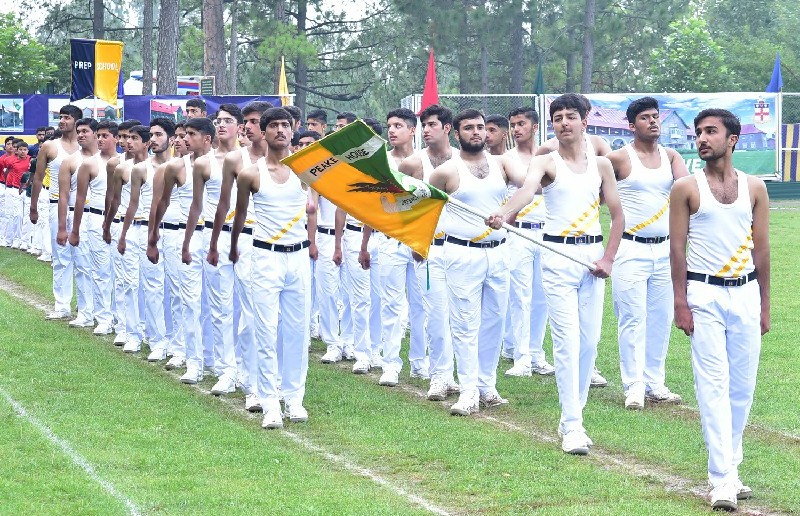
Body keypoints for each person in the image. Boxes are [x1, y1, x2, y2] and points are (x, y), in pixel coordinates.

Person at [488, 93, 624, 454]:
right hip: (557, 256)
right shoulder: (545, 162)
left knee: (589, 342)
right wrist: (504, 212)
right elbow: (525, 192)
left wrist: (608, 259)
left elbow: (617, 215)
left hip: (592, 259)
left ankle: (573, 416)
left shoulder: (602, 165)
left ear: (584, 120)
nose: (564, 122)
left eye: (570, 116)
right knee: (566, 342)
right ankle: (573, 425)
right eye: (558, 117)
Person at [670, 108, 770, 511]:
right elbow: (677, 249)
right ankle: (722, 479)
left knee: (742, 388)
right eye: (698, 132)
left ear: (732, 139)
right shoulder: (685, 188)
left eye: (711, 131)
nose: (701, 138)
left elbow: (761, 250)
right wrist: (681, 302)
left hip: (746, 294)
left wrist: (765, 305)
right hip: (704, 295)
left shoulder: (755, 188)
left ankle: (732, 467)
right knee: (712, 386)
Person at [429, 108, 522, 417]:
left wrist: (507, 212)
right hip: (462, 253)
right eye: (468, 128)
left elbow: (531, 185)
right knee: (465, 323)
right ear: (457, 133)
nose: (476, 132)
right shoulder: (445, 172)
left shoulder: (502, 164)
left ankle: (486, 385)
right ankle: (468, 390)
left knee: (494, 321)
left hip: (499, 251)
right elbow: (425, 211)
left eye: (480, 127)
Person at [230, 107, 313, 429]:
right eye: (274, 125)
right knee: (264, 330)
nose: (280, 130)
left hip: (298, 257)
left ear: (292, 130)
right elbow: (239, 217)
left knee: (296, 331)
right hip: (265, 257)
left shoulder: (304, 170)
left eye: (285, 125)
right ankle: (270, 403)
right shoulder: (251, 174)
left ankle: (294, 398)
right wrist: (234, 249)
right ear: (263, 133)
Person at [606, 97, 689, 410]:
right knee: (632, 318)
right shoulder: (619, 159)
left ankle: (655, 383)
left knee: (661, 318)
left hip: (665, 249)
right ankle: (634, 386)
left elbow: (689, 190)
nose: (653, 121)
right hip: (630, 248)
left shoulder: (671, 156)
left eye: (655, 116)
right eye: (645, 117)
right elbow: (593, 191)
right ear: (631, 125)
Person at [206, 101, 272, 411]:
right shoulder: (236, 159)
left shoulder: (284, 160)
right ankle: (226, 370)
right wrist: (214, 242)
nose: (249, 127)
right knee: (222, 306)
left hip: (264, 242)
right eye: (246, 121)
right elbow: (223, 204)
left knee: (253, 314)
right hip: (234, 237)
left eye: (254, 121)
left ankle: (253, 380)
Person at [359, 108, 427, 387]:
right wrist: (364, 244)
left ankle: (420, 362)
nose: (392, 130)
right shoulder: (381, 162)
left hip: (418, 242)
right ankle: (390, 364)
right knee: (391, 305)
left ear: (412, 130)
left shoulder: (424, 160)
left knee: (421, 305)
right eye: (389, 126)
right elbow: (371, 207)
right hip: (388, 240)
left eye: (398, 125)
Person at [398, 104, 461, 400]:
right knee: (435, 315)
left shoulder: (462, 160)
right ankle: (439, 376)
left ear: (447, 128)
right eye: (424, 125)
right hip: (429, 249)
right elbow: (399, 205)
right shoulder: (412, 163)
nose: (426, 130)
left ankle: (461, 376)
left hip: (462, 248)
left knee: (460, 316)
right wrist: (415, 239)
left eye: (432, 124)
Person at [183, 104, 242, 393]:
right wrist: (188, 242)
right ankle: (224, 368)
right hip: (214, 236)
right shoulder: (204, 163)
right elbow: (196, 206)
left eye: (228, 120)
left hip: (248, 238)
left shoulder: (251, 159)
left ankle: (245, 367)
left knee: (245, 308)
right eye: (218, 120)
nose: (221, 125)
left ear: (240, 127)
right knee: (218, 306)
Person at [501, 107, 555, 378]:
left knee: (542, 296)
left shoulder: (550, 157)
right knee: (520, 295)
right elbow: (529, 186)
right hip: (519, 232)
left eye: (521, 124)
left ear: (535, 127)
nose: (516, 129)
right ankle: (520, 356)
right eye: (513, 124)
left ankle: (536, 354)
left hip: (546, 232)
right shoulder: (507, 159)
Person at [118, 122, 173, 359]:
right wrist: (123, 234)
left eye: (159, 134)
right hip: (141, 230)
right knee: (136, 284)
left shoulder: (179, 167)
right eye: (152, 135)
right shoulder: (141, 169)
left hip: (171, 231)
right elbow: (132, 204)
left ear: (171, 138)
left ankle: (167, 339)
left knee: (167, 289)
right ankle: (137, 334)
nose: (154, 139)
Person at [29, 105, 81, 320]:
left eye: (67, 117)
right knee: (61, 257)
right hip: (55, 204)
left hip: (81, 208)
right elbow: (38, 178)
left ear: (77, 121)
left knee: (83, 259)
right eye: (60, 117)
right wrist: (33, 207)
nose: (62, 121)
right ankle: (62, 305)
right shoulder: (50, 146)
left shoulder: (86, 146)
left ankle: (86, 307)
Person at [69, 120, 119, 336]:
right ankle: (103, 317)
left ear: (116, 138)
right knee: (100, 271)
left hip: (119, 221)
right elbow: (80, 199)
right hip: (95, 219)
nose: (100, 139)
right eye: (98, 135)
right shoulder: (89, 164)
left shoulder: (125, 163)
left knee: (120, 273)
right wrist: (75, 229)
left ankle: (120, 318)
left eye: (105, 136)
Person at [103, 119, 146, 348]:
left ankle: (145, 328)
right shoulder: (117, 165)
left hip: (148, 226)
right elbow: (113, 199)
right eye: (123, 137)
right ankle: (125, 327)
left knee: (147, 282)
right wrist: (107, 225)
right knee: (124, 280)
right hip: (123, 224)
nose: (126, 141)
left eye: (131, 137)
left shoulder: (156, 166)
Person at [56, 117, 98, 329]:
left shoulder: (110, 160)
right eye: (79, 131)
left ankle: (105, 313)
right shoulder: (70, 161)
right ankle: (85, 311)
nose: (80, 135)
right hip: (77, 216)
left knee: (104, 269)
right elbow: (63, 196)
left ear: (95, 134)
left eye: (85, 131)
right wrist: (62, 228)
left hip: (101, 217)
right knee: (82, 266)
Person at [3, 141, 30, 248]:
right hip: (15, 190)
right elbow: (6, 173)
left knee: (27, 216)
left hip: (27, 191)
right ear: (17, 151)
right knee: (17, 215)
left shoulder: (31, 160)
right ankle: (16, 239)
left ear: (27, 151)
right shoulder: (11, 161)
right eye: (20, 150)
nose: (23, 152)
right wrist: (9, 185)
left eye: (25, 150)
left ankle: (25, 241)